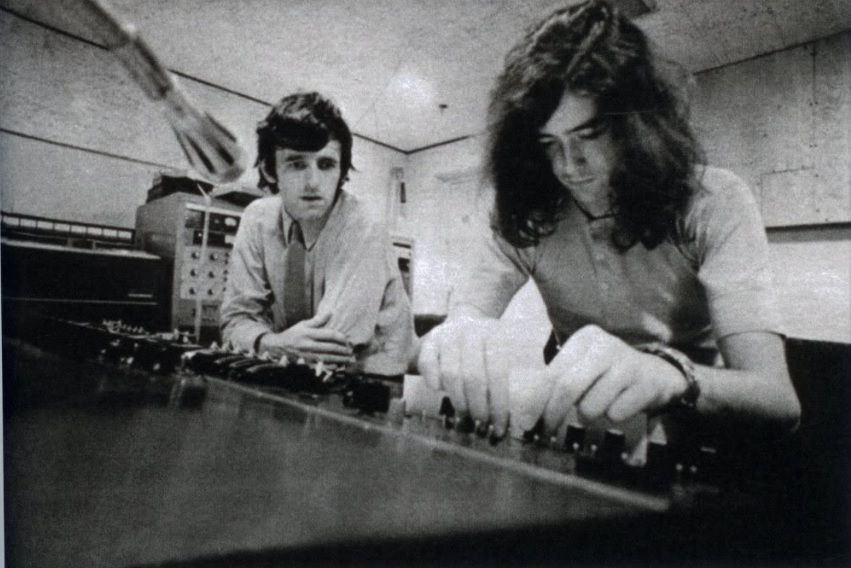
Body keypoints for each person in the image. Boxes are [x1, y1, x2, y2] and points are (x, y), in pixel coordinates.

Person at [416, 0, 800, 439]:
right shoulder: (527, 208)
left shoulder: (715, 200)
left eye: (590, 135)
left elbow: (778, 400)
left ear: (639, 126)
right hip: (577, 427)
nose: (568, 166)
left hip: (694, 428)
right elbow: (468, 315)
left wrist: (670, 374)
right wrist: (462, 333)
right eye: (548, 143)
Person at [221, 91, 413, 375]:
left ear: (341, 171)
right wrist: (271, 343)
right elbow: (234, 322)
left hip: (374, 380)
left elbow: (330, 346)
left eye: (326, 165)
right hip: (294, 375)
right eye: (297, 164)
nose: (313, 182)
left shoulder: (364, 226)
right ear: (270, 170)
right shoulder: (256, 219)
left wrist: (266, 342)